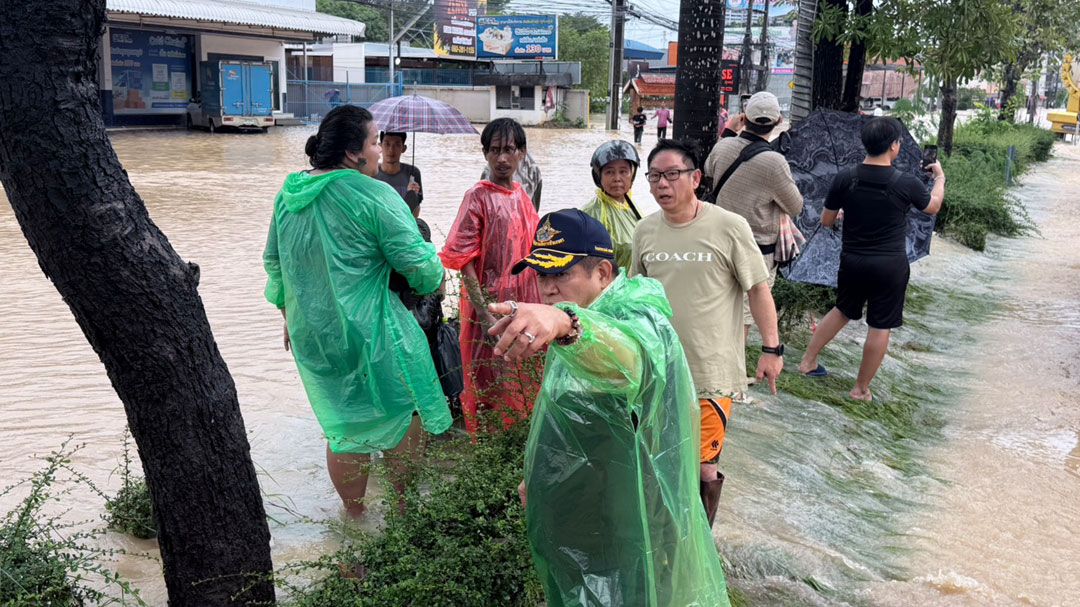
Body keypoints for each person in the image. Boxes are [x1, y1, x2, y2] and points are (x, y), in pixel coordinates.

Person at [489, 209, 732, 607]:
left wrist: (567, 325)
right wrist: (535, 472)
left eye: (560, 274)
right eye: (542, 275)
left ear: (603, 272)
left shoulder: (634, 317)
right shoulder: (583, 313)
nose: (547, 288)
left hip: (627, 513)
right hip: (580, 502)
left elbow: (628, 359)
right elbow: (558, 410)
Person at [263, 105, 451, 518]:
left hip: (314, 332)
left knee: (344, 423)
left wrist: (288, 316)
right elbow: (420, 268)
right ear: (353, 153)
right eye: (373, 141)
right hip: (376, 330)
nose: (378, 148)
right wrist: (433, 278)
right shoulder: (375, 194)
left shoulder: (288, 193)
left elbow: (276, 266)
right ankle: (402, 513)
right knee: (403, 410)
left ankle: (354, 519)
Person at [631, 139, 784, 524]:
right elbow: (636, 297)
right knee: (661, 460)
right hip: (660, 369)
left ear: (695, 178)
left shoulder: (729, 226)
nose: (662, 185)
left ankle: (698, 548)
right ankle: (668, 542)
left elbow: (758, 288)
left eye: (671, 175)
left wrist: (772, 348)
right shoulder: (645, 231)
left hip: (711, 373)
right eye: (654, 177)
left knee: (704, 468)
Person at [798, 117, 945, 401]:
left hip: (853, 261)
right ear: (893, 146)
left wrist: (843, 213)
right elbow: (933, 206)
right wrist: (939, 178)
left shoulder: (845, 177)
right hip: (890, 265)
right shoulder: (907, 182)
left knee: (842, 310)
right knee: (880, 325)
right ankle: (860, 389)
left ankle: (807, 362)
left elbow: (826, 221)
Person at [441, 118, 542, 434]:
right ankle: (487, 447)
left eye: (509, 150)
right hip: (486, 307)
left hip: (520, 304)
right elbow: (464, 259)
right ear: (485, 153)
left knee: (520, 374)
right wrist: (483, 312)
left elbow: (536, 252)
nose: (502, 158)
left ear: (521, 154)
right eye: (495, 150)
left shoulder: (522, 198)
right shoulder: (477, 196)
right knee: (486, 379)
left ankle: (514, 446)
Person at [704, 91, 804, 342]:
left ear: (744, 118)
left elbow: (707, 172)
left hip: (719, 242)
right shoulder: (774, 162)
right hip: (759, 250)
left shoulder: (722, 146)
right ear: (779, 121)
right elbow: (795, 207)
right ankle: (731, 369)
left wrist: (728, 131)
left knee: (719, 303)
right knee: (746, 313)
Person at [580, 140, 642, 271]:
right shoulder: (590, 214)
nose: (617, 178)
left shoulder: (634, 208)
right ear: (599, 177)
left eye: (623, 171)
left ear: (632, 175)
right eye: (609, 172)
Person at [375, 131, 423, 216]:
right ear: (380, 146)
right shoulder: (371, 173)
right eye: (387, 144)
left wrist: (412, 195)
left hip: (403, 222)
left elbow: (416, 213)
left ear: (403, 148)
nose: (391, 149)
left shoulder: (412, 172)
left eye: (397, 144)